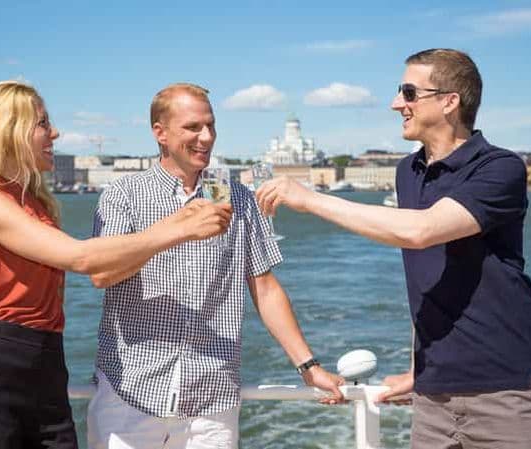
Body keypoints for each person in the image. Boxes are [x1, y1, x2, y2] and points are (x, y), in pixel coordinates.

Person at [256, 49, 531, 448]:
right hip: (433, 402)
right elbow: (426, 279)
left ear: (449, 101)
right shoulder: (408, 172)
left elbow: (422, 232)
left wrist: (309, 199)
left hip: (508, 394)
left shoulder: (500, 167)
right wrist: (419, 368)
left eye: (408, 93)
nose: (395, 103)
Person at [0, 80, 232, 449]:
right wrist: (179, 228)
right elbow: (82, 258)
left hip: (46, 365)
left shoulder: (32, 202)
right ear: (7, 131)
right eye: (43, 124)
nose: (54, 133)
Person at [86, 83, 345, 449]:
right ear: (160, 133)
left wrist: (309, 366)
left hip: (212, 401)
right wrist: (178, 231)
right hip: (130, 395)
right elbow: (102, 273)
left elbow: (265, 288)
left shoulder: (237, 197)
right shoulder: (123, 195)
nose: (206, 137)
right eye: (193, 127)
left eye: (210, 126)